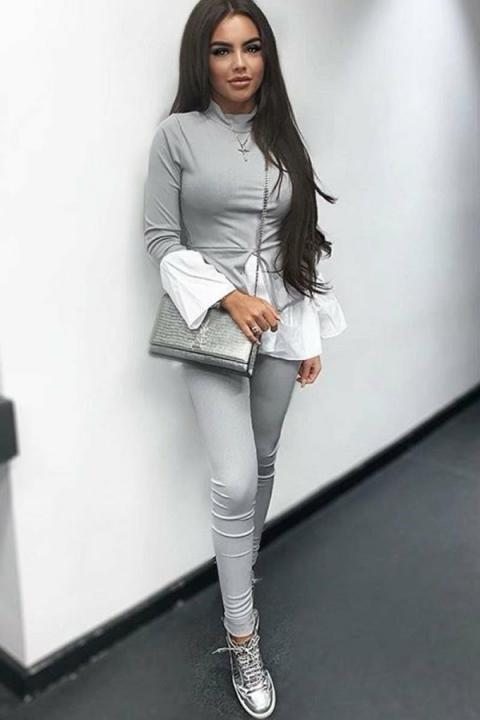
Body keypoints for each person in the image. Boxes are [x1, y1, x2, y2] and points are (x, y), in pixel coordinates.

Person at [143, 1, 347, 716]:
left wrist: (308, 332)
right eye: (222, 50)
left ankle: (240, 575)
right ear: (200, 58)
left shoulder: (281, 131)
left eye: (251, 47)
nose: (238, 64)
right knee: (233, 483)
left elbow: (300, 238)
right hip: (212, 325)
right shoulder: (177, 135)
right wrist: (230, 298)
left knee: (261, 460)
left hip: (282, 326)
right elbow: (160, 239)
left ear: (266, 56)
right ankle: (242, 635)